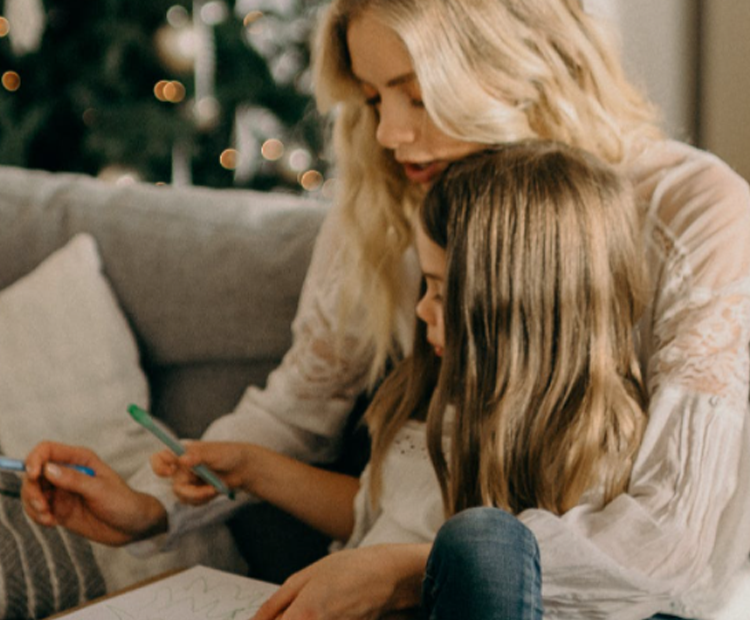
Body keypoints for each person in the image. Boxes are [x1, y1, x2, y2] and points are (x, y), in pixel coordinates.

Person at [21, 0, 750, 617]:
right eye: (373, 100)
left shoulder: (692, 213)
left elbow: (670, 533)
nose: (391, 135)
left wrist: (412, 569)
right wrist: (156, 507)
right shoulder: (397, 198)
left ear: (517, 65)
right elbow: (298, 410)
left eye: (418, 93)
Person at [22, 140, 650, 620]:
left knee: (482, 542)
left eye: (438, 291)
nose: (421, 309)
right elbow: (378, 506)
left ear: (517, 305)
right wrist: (252, 468)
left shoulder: (583, 446)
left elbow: (531, 582)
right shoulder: (438, 394)